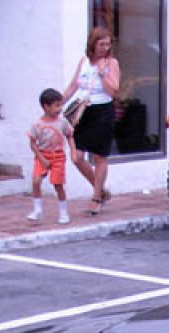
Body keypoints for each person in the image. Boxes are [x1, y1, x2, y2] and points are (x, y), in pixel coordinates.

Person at [62, 26, 121, 216]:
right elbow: (73, 85)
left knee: (99, 156)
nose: (104, 47)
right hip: (83, 110)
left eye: (107, 44)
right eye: (101, 44)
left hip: (102, 111)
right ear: (92, 44)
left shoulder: (112, 63)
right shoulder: (84, 61)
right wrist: (58, 103)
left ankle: (96, 197)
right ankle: (101, 190)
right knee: (77, 156)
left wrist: (103, 73)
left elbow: (113, 90)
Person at [26, 88, 76, 225]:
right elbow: (32, 144)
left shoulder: (62, 122)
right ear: (46, 106)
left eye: (61, 105)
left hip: (58, 156)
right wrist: (42, 159)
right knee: (36, 181)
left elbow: (70, 136)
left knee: (58, 185)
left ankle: (63, 212)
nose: (59, 109)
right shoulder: (37, 124)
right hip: (42, 155)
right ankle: (37, 209)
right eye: (56, 105)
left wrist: (73, 152)